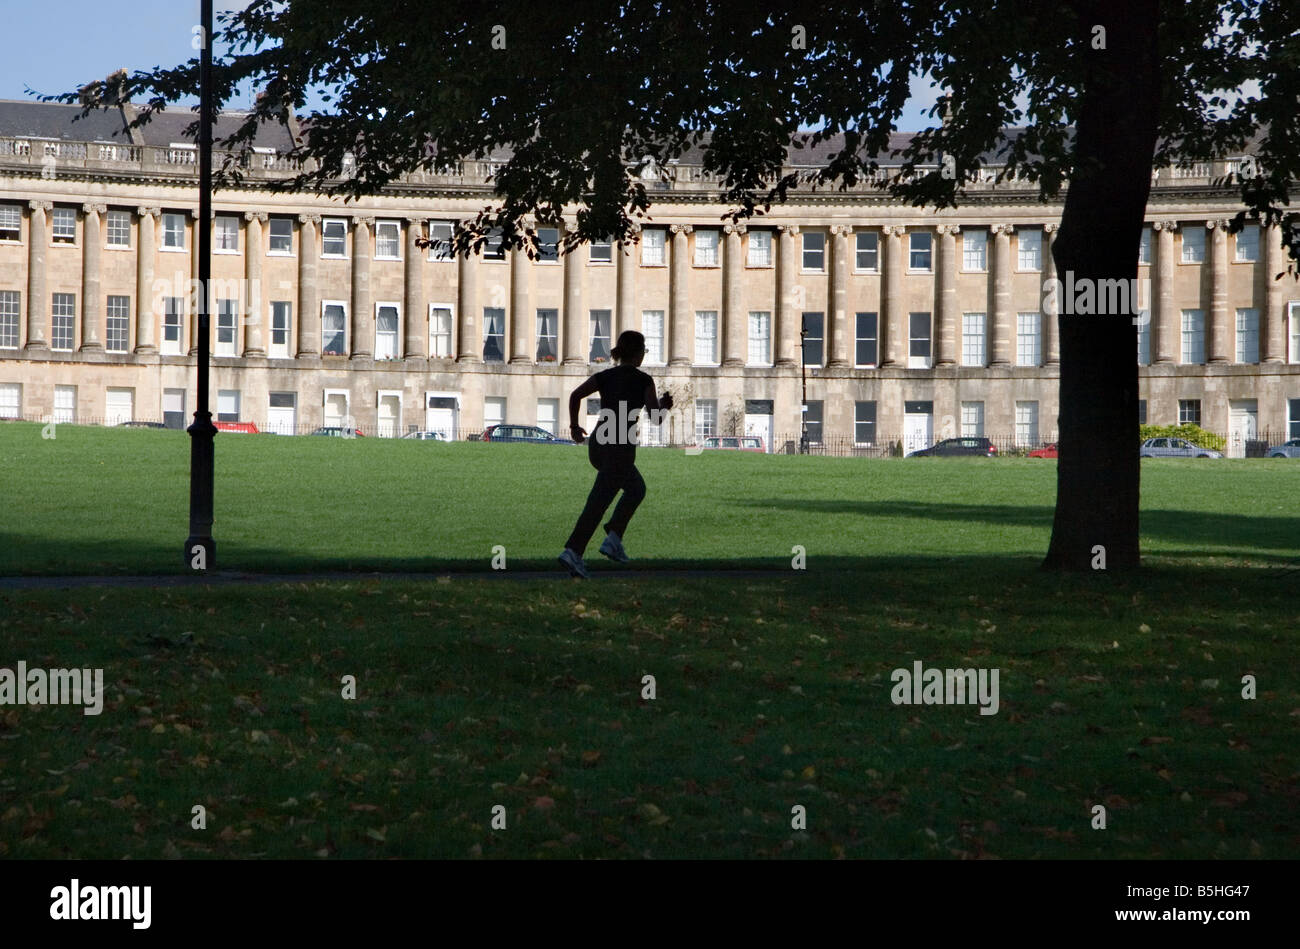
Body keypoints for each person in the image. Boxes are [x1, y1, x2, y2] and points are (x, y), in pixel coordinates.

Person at [558, 330, 673, 578]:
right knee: (599, 502)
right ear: (638, 353)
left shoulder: (605, 376)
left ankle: (612, 536)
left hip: (599, 444)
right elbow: (656, 418)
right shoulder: (644, 381)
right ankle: (576, 550)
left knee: (635, 489)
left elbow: (575, 395)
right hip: (620, 446)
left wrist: (575, 427)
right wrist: (665, 406)